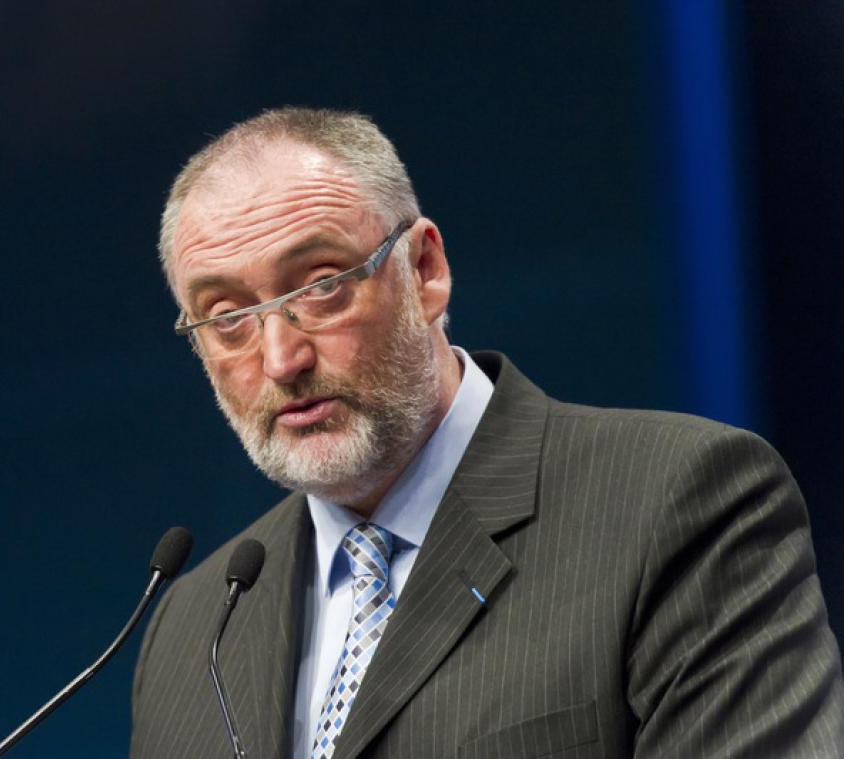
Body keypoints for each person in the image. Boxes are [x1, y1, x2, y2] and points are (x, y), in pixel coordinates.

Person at [129, 107, 844, 758]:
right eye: (228, 318)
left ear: (425, 270)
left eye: (321, 286)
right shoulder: (188, 629)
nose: (282, 359)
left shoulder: (677, 504)